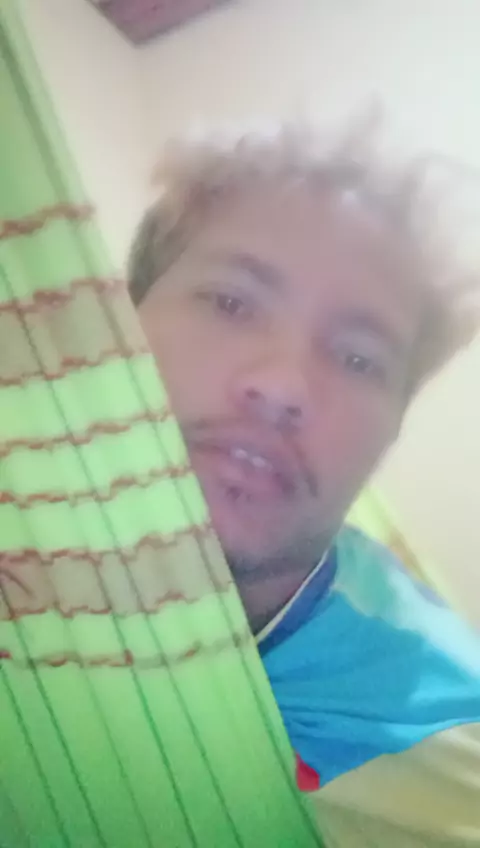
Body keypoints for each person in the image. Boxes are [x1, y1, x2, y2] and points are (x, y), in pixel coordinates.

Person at [128, 121, 480, 846]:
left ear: (392, 430)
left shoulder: (444, 754)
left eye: (358, 360)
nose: (283, 387)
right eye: (231, 303)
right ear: (119, 325)